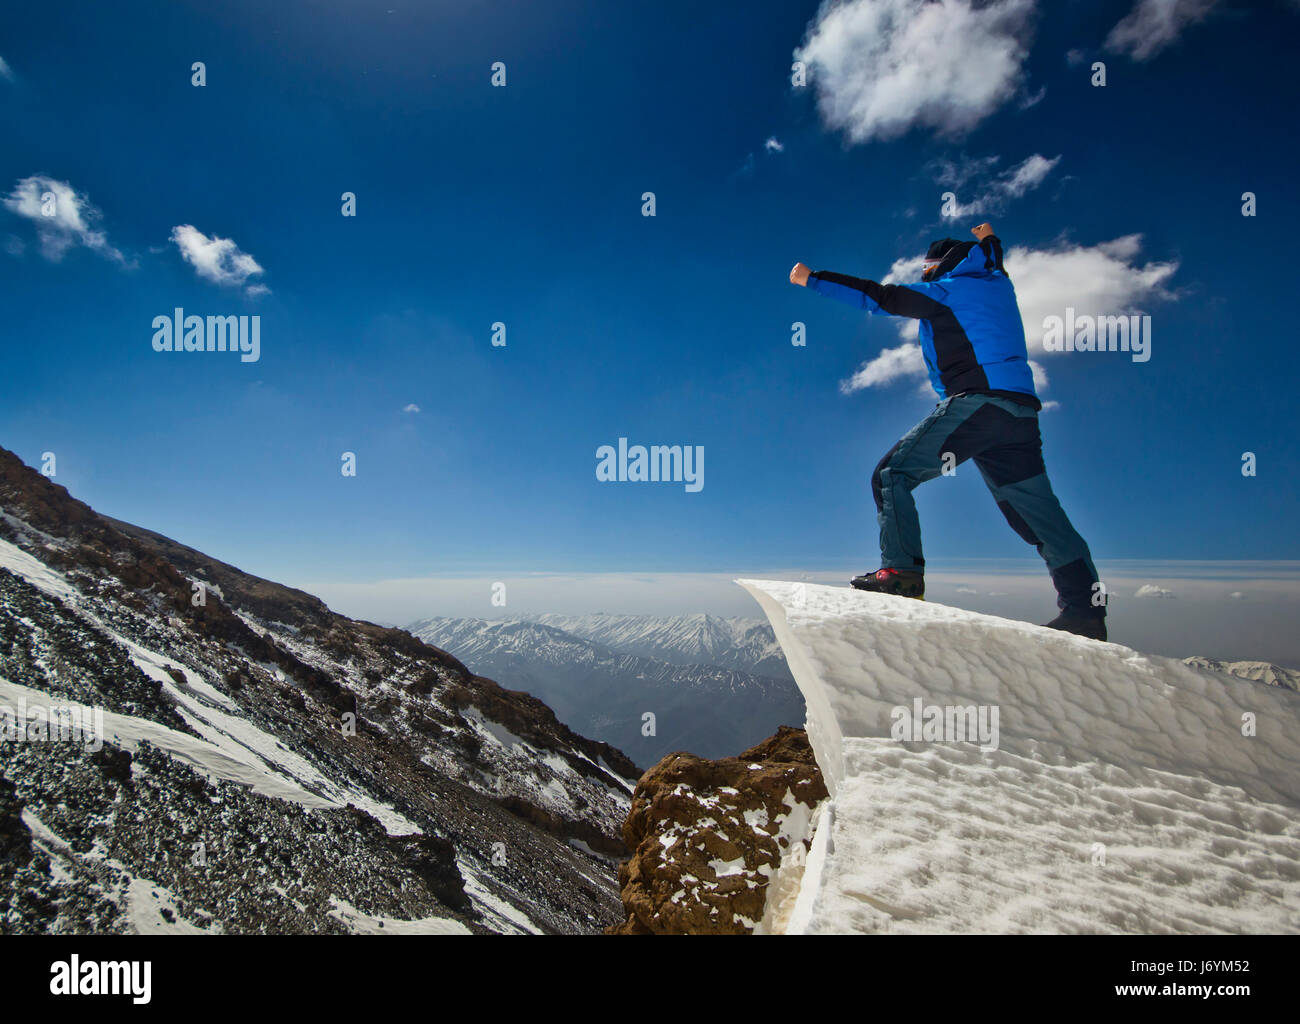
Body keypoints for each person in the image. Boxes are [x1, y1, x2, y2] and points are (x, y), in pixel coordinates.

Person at [789, 223, 1107, 641]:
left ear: (940, 266)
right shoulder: (997, 283)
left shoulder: (947, 291)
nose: (924, 275)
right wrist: (989, 240)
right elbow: (994, 256)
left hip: (980, 404)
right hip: (1020, 416)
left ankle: (901, 574)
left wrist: (812, 279)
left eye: (927, 269)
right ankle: (1086, 612)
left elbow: (880, 297)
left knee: (892, 475)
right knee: (1042, 518)